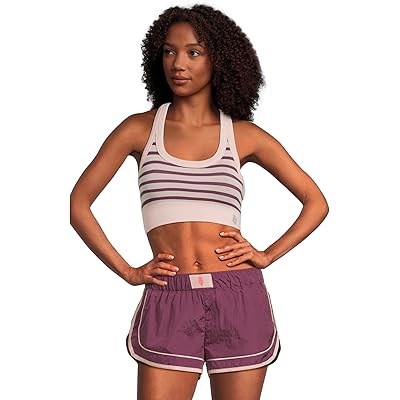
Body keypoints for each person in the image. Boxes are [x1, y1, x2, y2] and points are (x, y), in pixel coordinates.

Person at [70, 4, 329, 400]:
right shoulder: (139, 129)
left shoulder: (244, 135)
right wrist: (127, 271)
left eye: (193, 52)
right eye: (169, 51)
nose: (178, 64)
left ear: (217, 60)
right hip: (169, 293)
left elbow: (315, 201)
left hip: (237, 293)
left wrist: (266, 254)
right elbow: (79, 203)